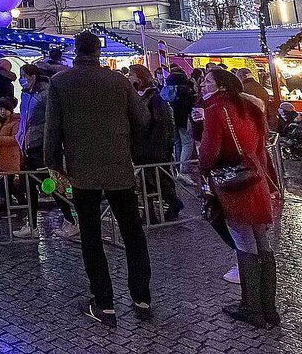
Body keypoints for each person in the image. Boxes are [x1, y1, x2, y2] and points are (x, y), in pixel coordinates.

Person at [45, 31, 152, 327]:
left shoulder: (60, 82)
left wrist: (53, 163)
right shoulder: (118, 81)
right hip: (119, 166)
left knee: (91, 236)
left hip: (82, 170)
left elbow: (52, 129)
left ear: (75, 50)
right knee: (132, 232)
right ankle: (142, 297)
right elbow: (142, 119)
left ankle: (104, 303)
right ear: (98, 51)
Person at [197, 68, 281, 329]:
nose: (203, 85)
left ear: (221, 86)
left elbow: (210, 150)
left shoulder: (215, 109)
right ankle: (269, 308)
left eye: (208, 81)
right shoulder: (251, 108)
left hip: (234, 183)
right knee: (260, 241)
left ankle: (251, 307)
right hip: (255, 178)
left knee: (243, 240)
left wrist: (202, 168)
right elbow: (260, 148)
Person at [16, 61, 76, 239]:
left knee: (51, 185)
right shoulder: (26, 94)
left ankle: (70, 219)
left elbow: (51, 120)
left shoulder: (45, 94)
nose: (21, 80)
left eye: (24, 76)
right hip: (28, 144)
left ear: (33, 77)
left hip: (41, 144)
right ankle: (32, 224)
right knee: (30, 187)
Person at [130, 64, 183, 223]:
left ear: (139, 77)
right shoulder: (140, 96)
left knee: (157, 177)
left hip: (151, 146)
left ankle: (173, 203)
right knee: (145, 181)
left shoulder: (153, 97)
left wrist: (154, 144)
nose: (129, 78)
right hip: (142, 146)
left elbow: (160, 124)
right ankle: (149, 213)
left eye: (131, 75)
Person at [167, 70, 197, 181]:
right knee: (187, 143)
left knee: (178, 144)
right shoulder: (186, 91)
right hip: (184, 119)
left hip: (173, 119)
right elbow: (191, 105)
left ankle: (178, 168)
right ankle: (183, 170)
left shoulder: (168, 91)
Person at [0, 95, 22, 173]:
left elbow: (15, 139)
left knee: (9, 182)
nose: (3, 111)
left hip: (11, 160)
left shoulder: (16, 122)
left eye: (6, 109)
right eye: (1, 109)